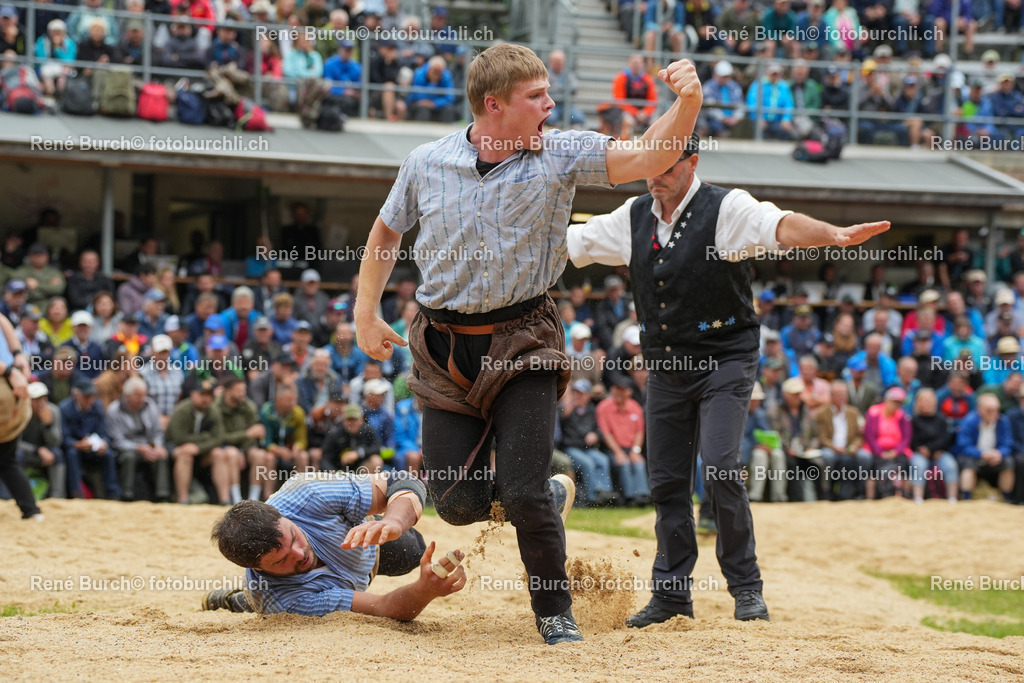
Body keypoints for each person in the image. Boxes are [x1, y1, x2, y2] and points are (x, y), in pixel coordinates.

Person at [355, 43, 708, 645]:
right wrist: (365, 310)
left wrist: (689, 102)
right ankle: (544, 496)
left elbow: (652, 151)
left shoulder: (562, 152)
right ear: (494, 106)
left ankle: (554, 615)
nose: (551, 103)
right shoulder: (426, 159)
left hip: (524, 340)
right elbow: (388, 227)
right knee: (457, 502)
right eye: (536, 96)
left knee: (519, 493)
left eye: (549, 92)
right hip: (441, 346)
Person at [567, 131, 889, 627]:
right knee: (667, 480)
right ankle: (672, 596)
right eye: (651, 165)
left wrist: (835, 235)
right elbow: (570, 243)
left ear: (693, 162)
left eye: (668, 166)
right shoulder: (631, 217)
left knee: (719, 466)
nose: (656, 175)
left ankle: (746, 588)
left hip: (725, 359)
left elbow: (780, 224)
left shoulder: (728, 208)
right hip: (669, 366)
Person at [206, 470, 467, 617]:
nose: (299, 554)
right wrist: (425, 590)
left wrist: (393, 522)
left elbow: (402, 481)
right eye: (282, 560)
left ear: (284, 516)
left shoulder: (306, 492)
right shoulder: (283, 600)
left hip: (367, 546)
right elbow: (384, 607)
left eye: (295, 537)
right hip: (286, 595)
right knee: (264, 607)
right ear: (260, 569)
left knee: (412, 549)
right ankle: (239, 600)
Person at [0, 311, 40, 519]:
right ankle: (31, 510)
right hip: (15, 391)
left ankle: (31, 510)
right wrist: (15, 362)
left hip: (10, 390)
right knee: (7, 461)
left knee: (7, 460)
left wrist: (16, 359)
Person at [106, 377, 169, 502]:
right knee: (129, 457)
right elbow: (117, 441)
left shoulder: (150, 405)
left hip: (148, 445)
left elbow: (157, 432)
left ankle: (163, 495)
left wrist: (156, 446)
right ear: (127, 396)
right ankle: (126, 494)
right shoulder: (114, 410)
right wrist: (139, 448)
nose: (142, 399)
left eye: (144, 395)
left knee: (161, 455)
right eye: (138, 395)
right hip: (126, 449)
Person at [955, 392, 1015, 501]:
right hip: (974, 456)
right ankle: (966, 497)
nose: (994, 413)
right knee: (968, 465)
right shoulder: (969, 421)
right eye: (989, 410)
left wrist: (999, 453)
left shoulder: (1003, 421)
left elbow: (1007, 444)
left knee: (1008, 462)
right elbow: (963, 445)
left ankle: (1006, 498)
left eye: (996, 410)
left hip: (994, 457)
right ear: (980, 409)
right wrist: (981, 454)